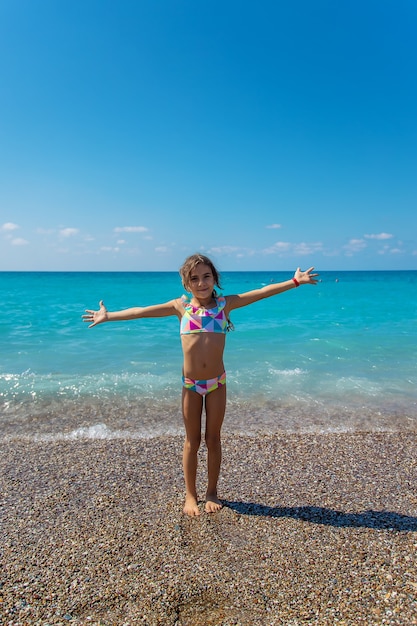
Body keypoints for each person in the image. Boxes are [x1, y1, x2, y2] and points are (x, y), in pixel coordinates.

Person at [83, 253, 318, 516]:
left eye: (207, 276)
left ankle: (212, 492)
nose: (201, 283)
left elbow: (262, 292)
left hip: (217, 383)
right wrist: (109, 316)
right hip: (190, 386)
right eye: (194, 279)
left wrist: (295, 281)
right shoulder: (180, 307)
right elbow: (140, 312)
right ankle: (190, 496)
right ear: (186, 284)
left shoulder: (224, 305)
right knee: (191, 441)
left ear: (215, 279)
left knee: (213, 438)